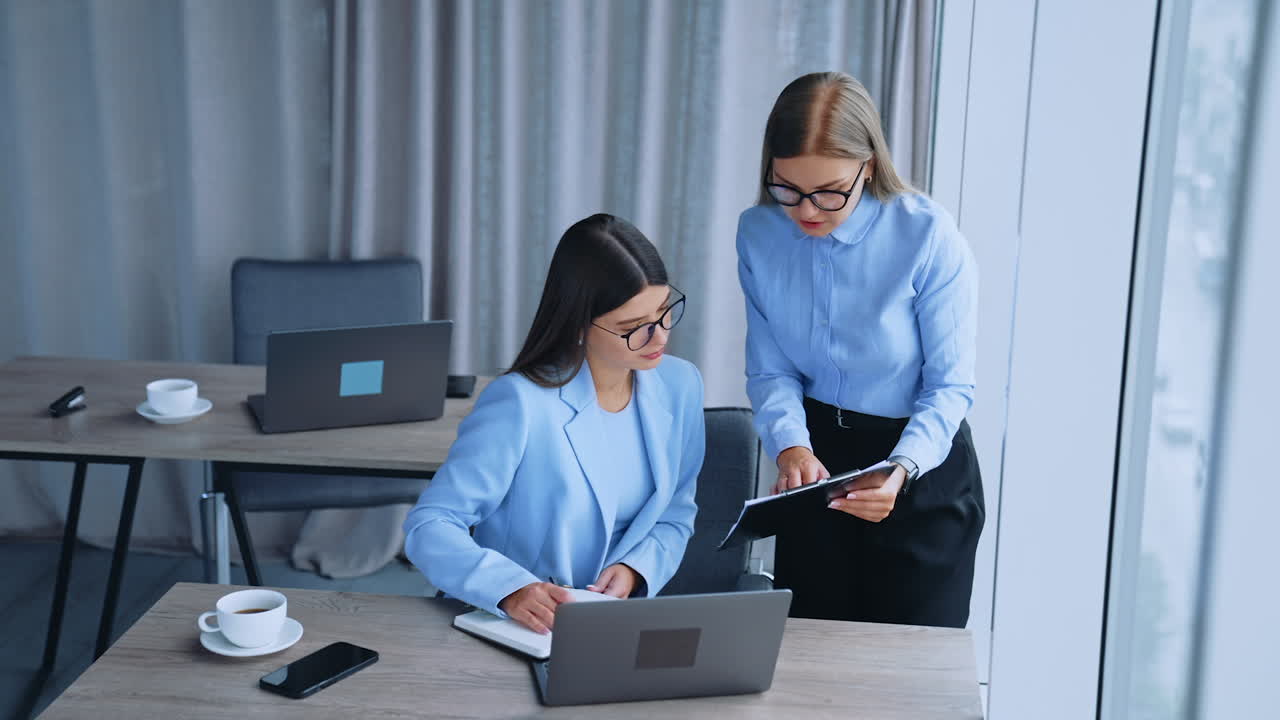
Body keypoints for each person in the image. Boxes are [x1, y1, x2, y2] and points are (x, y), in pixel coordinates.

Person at [736, 71, 984, 628]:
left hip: (919, 464)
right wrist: (790, 447)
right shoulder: (758, 233)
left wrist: (901, 468)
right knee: (813, 672)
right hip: (817, 464)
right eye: (787, 188)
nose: (806, 211)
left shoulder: (927, 236)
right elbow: (770, 368)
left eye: (829, 191)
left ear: (868, 165)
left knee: (908, 685)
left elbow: (950, 387)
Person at [403, 213, 704, 634]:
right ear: (580, 325)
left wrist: (635, 569)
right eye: (634, 328)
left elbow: (675, 512)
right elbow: (430, 525)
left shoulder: (680, 384)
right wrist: (510, 589)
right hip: (519, 626)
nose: (660, 337)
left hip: (615, 624)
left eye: (664, 311)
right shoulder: (519, 402)